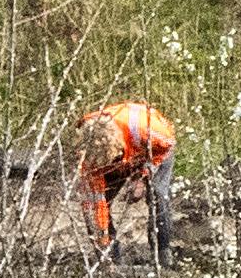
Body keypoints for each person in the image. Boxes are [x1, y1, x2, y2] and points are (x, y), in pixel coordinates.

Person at [70, 96, 178, 259]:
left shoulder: (149, 130)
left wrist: (142, 176)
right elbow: (96, 204)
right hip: (119, 154)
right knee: (99, 202)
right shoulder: (89, 153)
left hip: (152, 151)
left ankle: (163, 251)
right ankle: (109, 255)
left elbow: (168, 145)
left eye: (112, 160)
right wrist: (103, 242)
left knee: (157, 194)